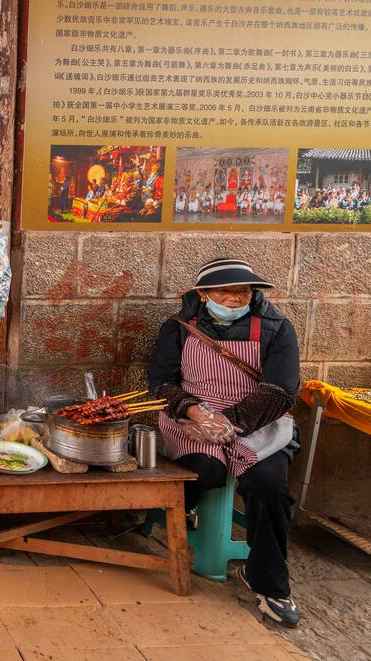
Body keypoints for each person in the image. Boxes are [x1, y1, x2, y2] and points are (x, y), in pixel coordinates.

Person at [148, 258, 301, 627]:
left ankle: (269, 583)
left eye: (243, 292)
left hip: (257, 419)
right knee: (207, 471)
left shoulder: (277, 329)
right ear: (202, 295)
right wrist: (196, 413)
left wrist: (231, 423)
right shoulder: (178, 329)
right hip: (193, 415)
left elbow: (281, 390)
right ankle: (182, 511)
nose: (234, 299)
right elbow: (161, 383)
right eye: (224, 292)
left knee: (268, 485)